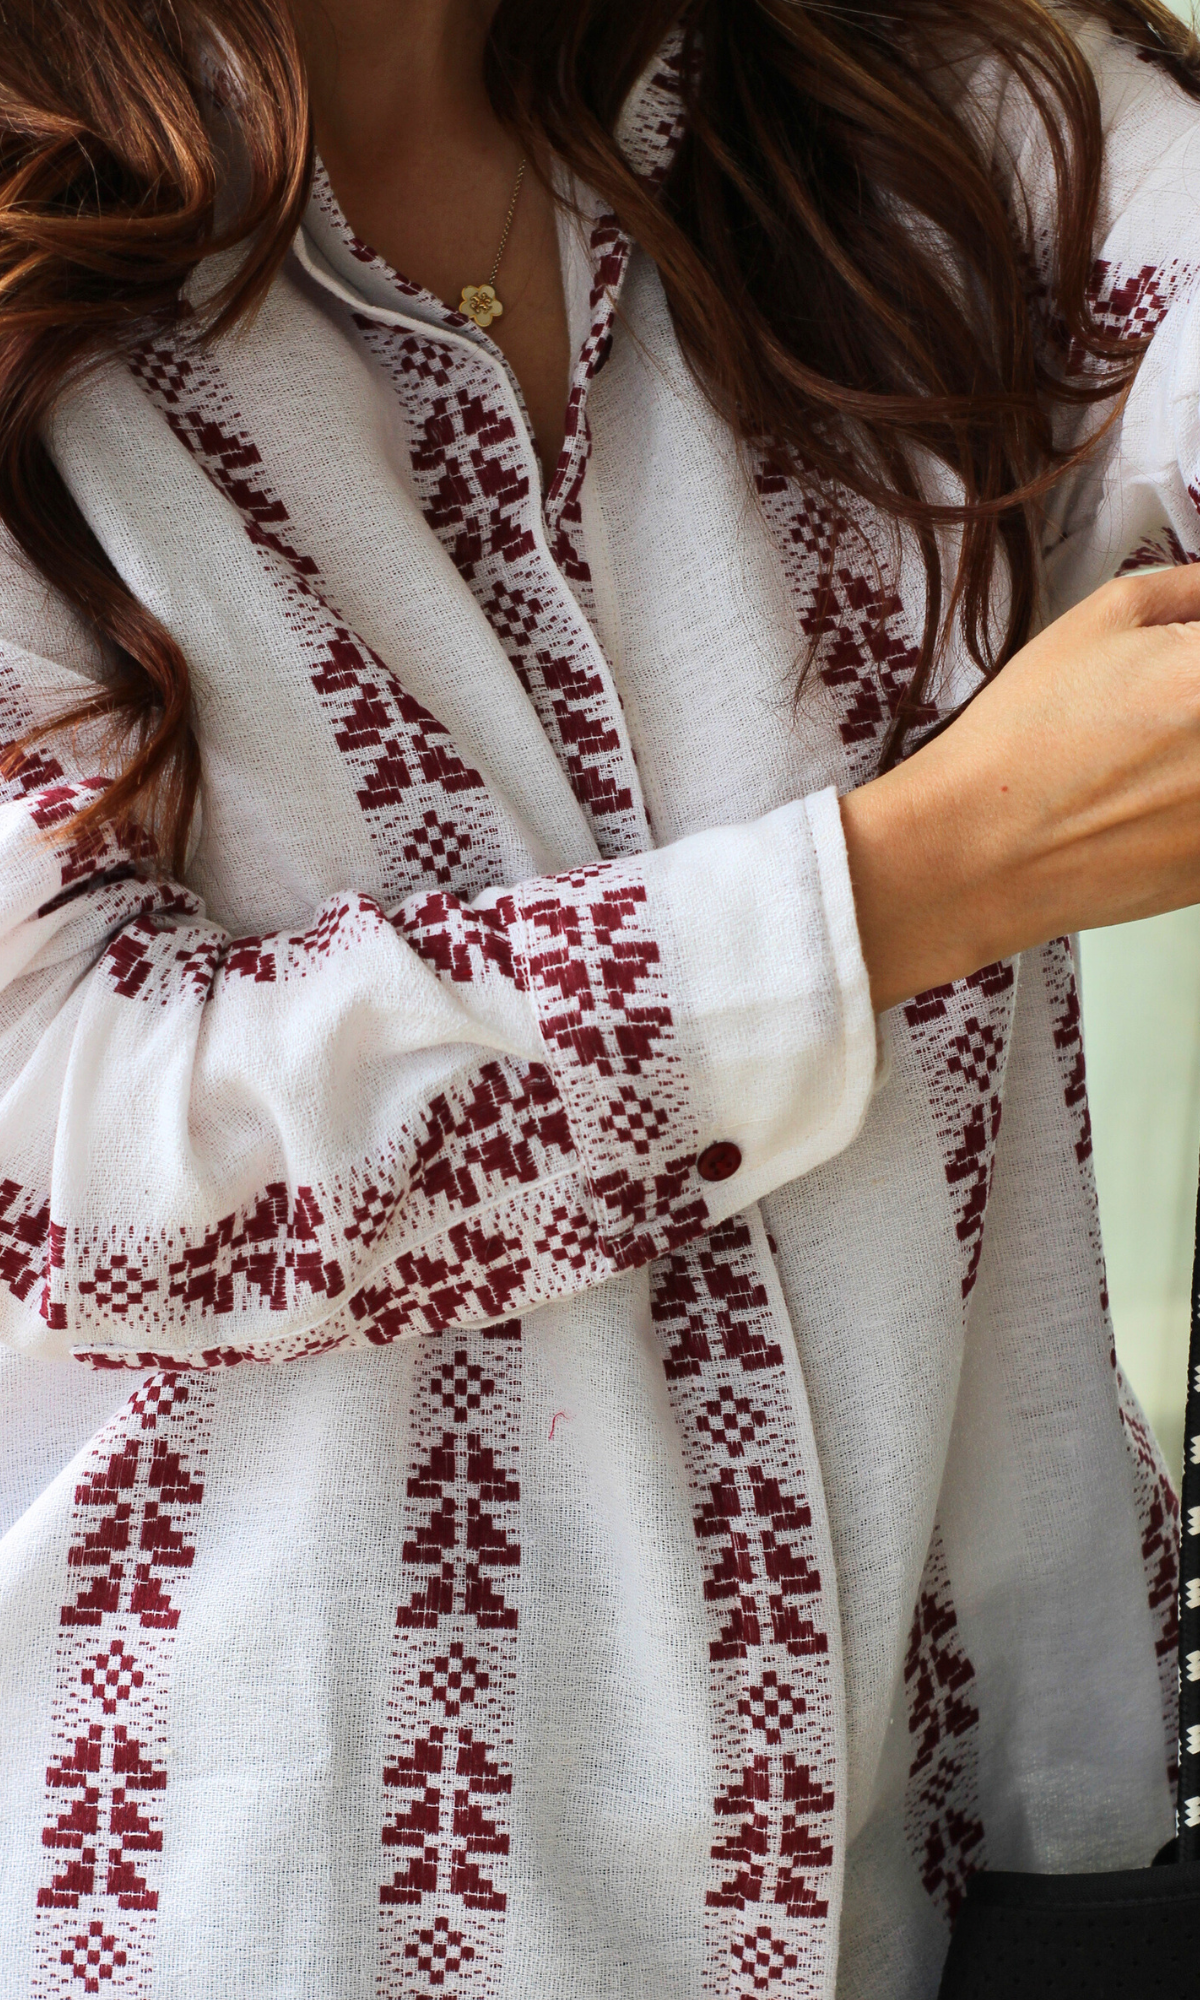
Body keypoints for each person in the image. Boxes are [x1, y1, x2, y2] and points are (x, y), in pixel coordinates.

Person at [1, 0, 1199, 1990]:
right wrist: (912, 883)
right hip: (279, 1902)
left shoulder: (936, 116)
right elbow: (76, 1150)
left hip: (964, 1872)